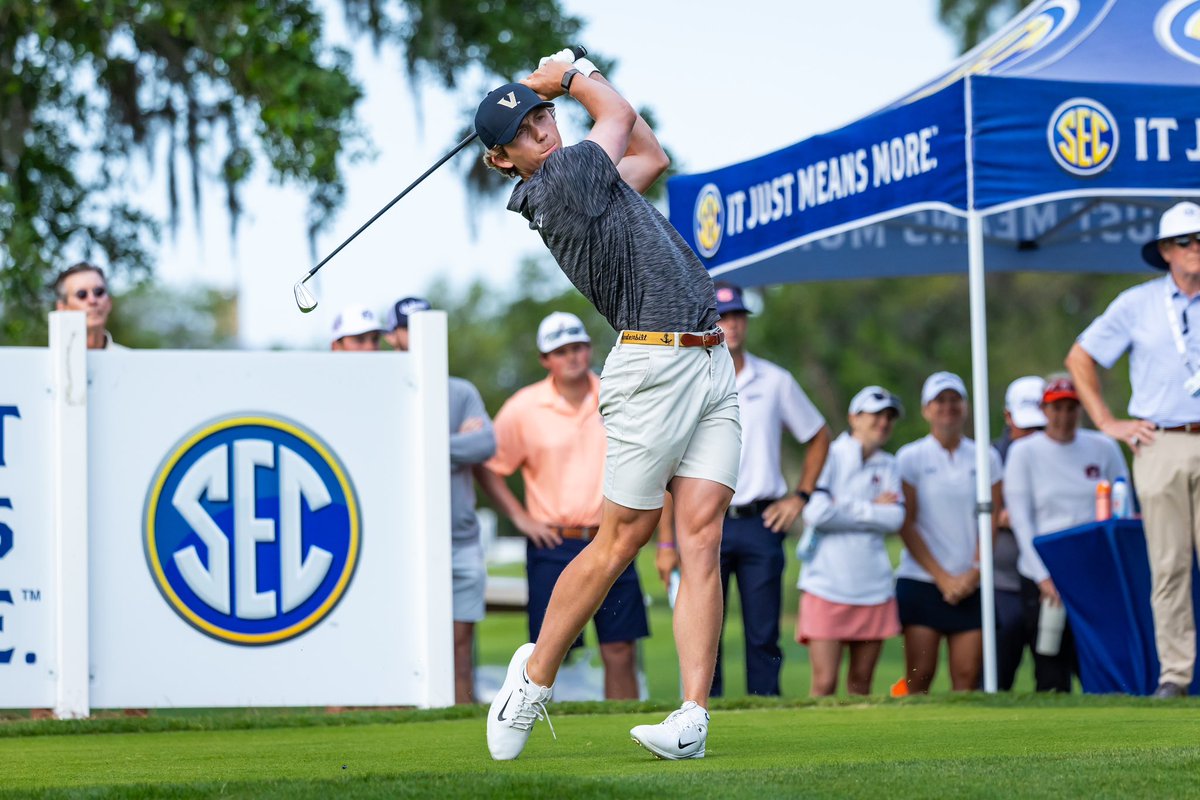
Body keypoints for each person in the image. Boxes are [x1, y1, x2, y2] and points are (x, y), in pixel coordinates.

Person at [477, 51, 740, 761]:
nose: (542, 130)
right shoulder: (559, 181)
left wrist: (573, 80)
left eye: (541, 117)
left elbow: (648, 150)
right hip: (653, 366)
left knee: (703, 539)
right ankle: (532, 680)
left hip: (710, 358)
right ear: (504, 161)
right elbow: (617, 116)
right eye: (525, 131)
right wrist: (567, 74)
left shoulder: (594, 181)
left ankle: (690, 717)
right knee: (621, 539)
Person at [656, 282, 828, 698]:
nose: (731, 326)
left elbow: (819, 435)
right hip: (702, 519)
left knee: (763, 633)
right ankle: (700, 712)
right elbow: (667, 465)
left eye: (737, 317)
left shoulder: (775, 381)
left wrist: (800, 497)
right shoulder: (689, 381)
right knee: (704, 630)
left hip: (759, 521)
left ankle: (765, 714)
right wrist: (665, 541)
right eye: (722, 318)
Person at [475, 312, 649, 702]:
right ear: (545, 360)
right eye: (562, 351)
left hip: (613, 537)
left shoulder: (616, 393)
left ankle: (617, 730)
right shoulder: (524, 406)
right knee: (547, 651)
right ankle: (536, 729)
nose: (572, 356)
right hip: (553, 543)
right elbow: (490, 465)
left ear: (589, 349)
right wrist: (520, 518)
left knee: (619, 648)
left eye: (578, 347)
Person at [1066, 200, 1200, 699]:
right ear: (1166, 251)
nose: (1196, 249)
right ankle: (1176, 676)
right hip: (1160, 441)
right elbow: (1080, 357)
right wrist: (1107, 422)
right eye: (1186, 241)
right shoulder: (1137, 303)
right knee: (1169, 565)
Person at [1004, 376, 1128, 693]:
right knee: (1050, 662)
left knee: (1099, 659)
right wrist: (1044, 577)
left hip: (1094, 571)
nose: (1064, 415)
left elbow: (1123, 502)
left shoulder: (1103, 447)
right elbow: (1022, 520)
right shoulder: (1024, 452)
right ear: (1045, 410)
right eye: (1057, 407)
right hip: (1044, 572)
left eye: (1071, 407)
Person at [895, 371, 1002, 693]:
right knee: (919, 676)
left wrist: (974, 572)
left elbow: (992, 516)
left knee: (967, 678)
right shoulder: (910, 457)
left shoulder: (986, 456)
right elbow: (906, 522)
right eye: (939, 401)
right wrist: (942, 577)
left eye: (954, 400)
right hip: (923, 580)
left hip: (971, 580)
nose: (948, 407)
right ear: (927, 409)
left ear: (965, 407)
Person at [796, 386, 904, 696]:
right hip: (826, 584)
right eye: (876, 415)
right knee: (824, 683)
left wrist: (841, 506)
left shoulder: (889, 464)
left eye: (889, 418)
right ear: (854, 418)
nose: (883, 423)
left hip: (874, 587)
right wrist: (872, 508)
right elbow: (816, 513)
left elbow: (895, 519)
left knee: (861, 685)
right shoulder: (830, 455)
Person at [992, 376, 1048, 691]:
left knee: (1052, 672)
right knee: (999, 673)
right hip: (1005, 580)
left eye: (1039, 429)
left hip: (1050, 582)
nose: (1032, 437)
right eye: (1027, 428)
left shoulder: (1057, 452)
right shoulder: (991, 457)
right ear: (1008, 417)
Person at [53, 262, 126, 350]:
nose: (93, 300)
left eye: (99, 292)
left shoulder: (133, 361)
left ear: (109, 302)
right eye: (82, 294)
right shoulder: (45, 361)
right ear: (62, 307)